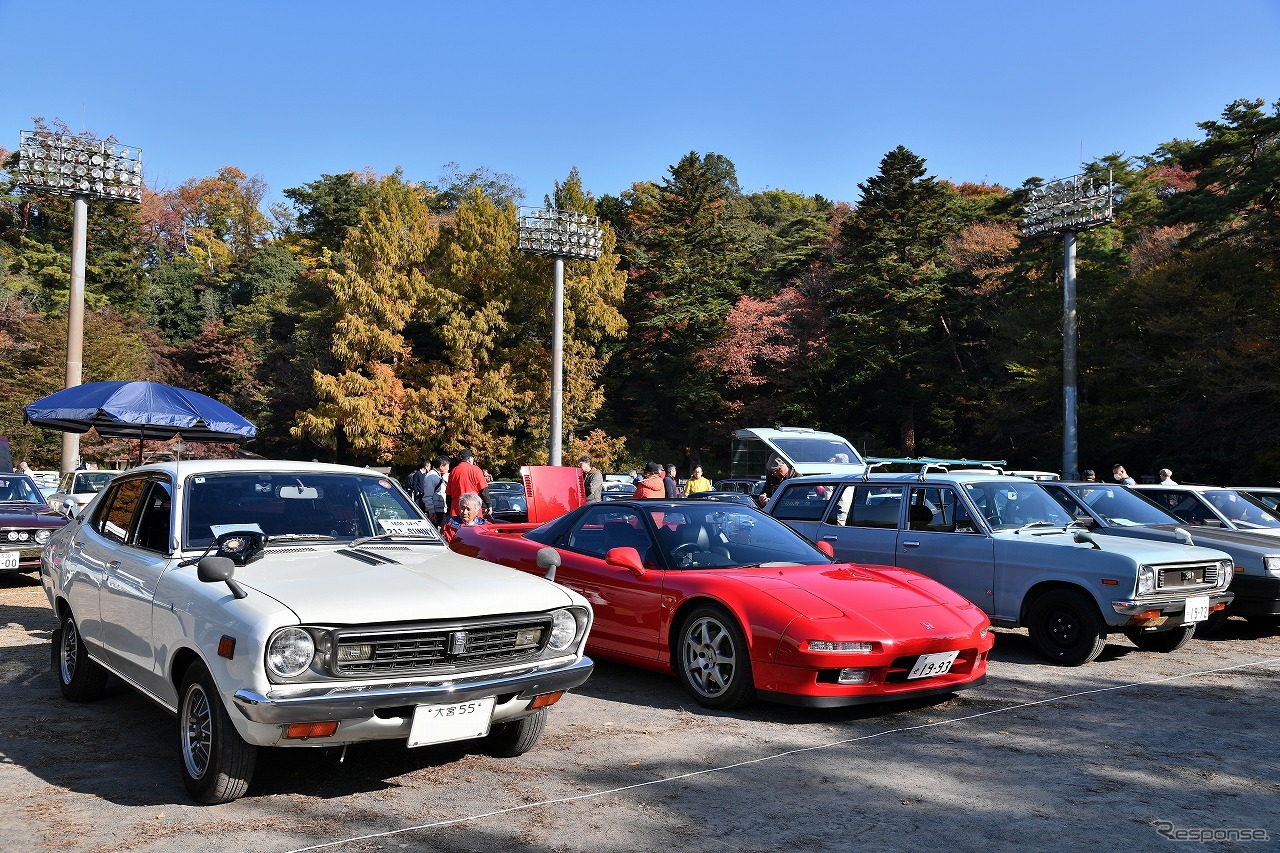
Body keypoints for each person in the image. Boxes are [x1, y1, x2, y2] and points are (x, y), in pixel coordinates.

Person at [447, 448, 491, 518]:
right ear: (469, 458)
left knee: (457, 528)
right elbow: (483, 490)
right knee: (474, 528)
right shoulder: (475, 469)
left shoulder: (453, 471)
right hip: (472, 509)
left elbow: (449, 494)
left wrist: (449, 508)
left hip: (456, 509)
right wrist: (489, 505)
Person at [423, 456, 450, 526]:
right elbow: (427, 496)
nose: (448, 468)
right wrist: (431, 511)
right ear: (441, 466)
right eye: (447, 466)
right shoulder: (431, 477)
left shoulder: (438, 476)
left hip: (440, 509)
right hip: (436, 511)